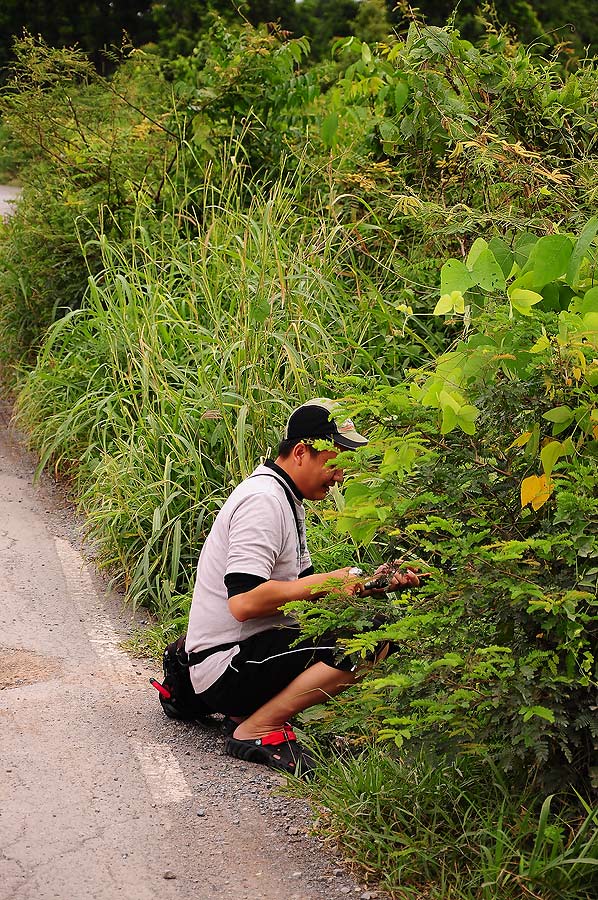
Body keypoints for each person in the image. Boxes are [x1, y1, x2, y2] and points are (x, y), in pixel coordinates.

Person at [161, 398, 421, 775]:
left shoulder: (285, 497)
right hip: (225, 665)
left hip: (240, 655)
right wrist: (326, 582)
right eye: (334, 463)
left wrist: (372, 583)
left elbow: (305, 595)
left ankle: (253, 714)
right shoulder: (264, 501)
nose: (340, 477)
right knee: (373, 635)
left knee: (372, 622)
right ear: (301, 452)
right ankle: (256, 729)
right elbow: (245, 602)